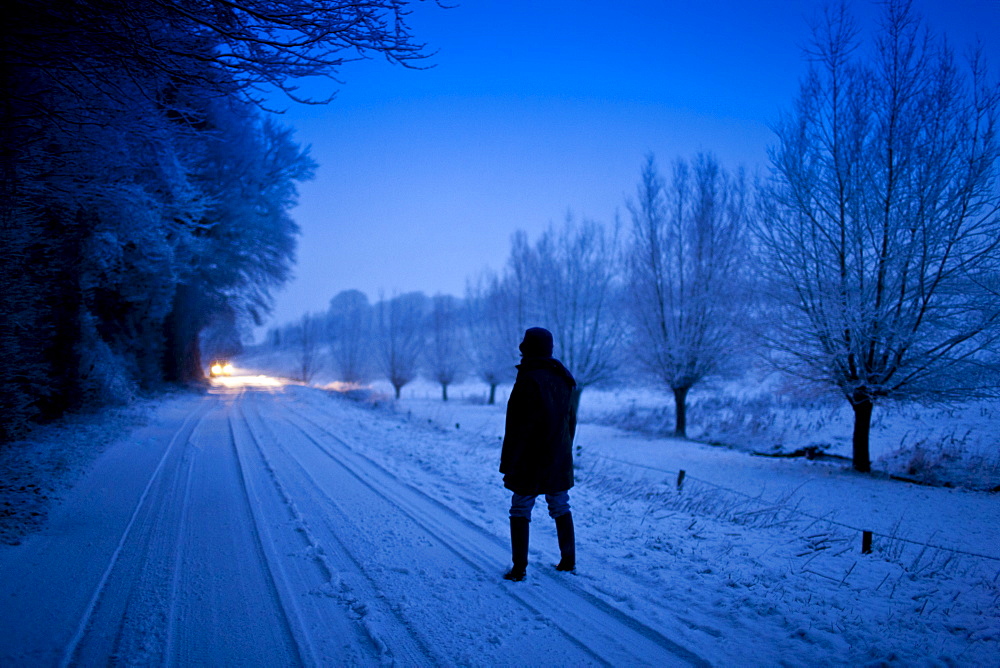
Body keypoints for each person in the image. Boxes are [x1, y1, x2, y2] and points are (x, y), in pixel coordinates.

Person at [499, 327, 578, 581]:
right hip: (558, 456)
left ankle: (519, 568)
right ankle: (568, 560)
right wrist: (564, 450)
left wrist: (509, 463)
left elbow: (516, 426)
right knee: (560, 505)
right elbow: (570, 421)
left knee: (520, 508)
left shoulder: (528, 379)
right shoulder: (564, 377)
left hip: (528, 459)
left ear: (527, 349)